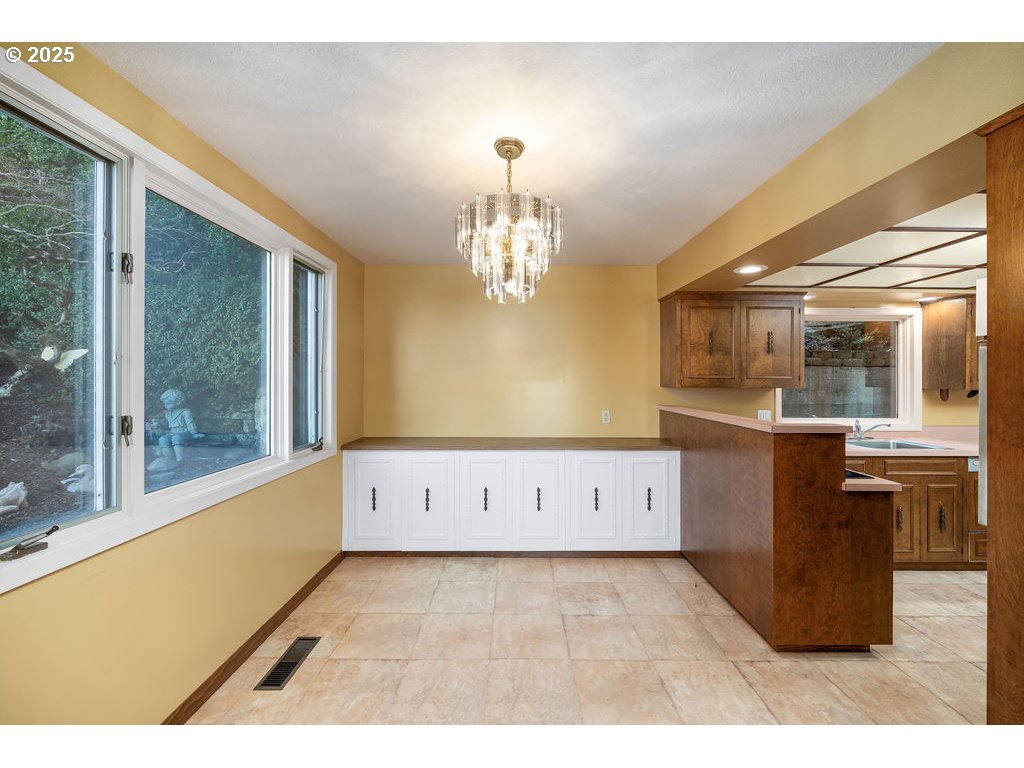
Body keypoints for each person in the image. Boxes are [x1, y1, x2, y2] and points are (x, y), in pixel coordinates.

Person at [147, 389, 204, 471]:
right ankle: (168, 460)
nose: (166, 406)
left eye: (168, 403)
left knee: (177, 438)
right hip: (172, 432)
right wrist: (157, 424)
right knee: (162, 439)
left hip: (184, 432)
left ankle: (179, 460)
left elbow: (190, 423)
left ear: (178, 402)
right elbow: (167, 424)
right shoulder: (168, 413)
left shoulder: (185, 412)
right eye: (165, 404)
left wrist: (194, 433)